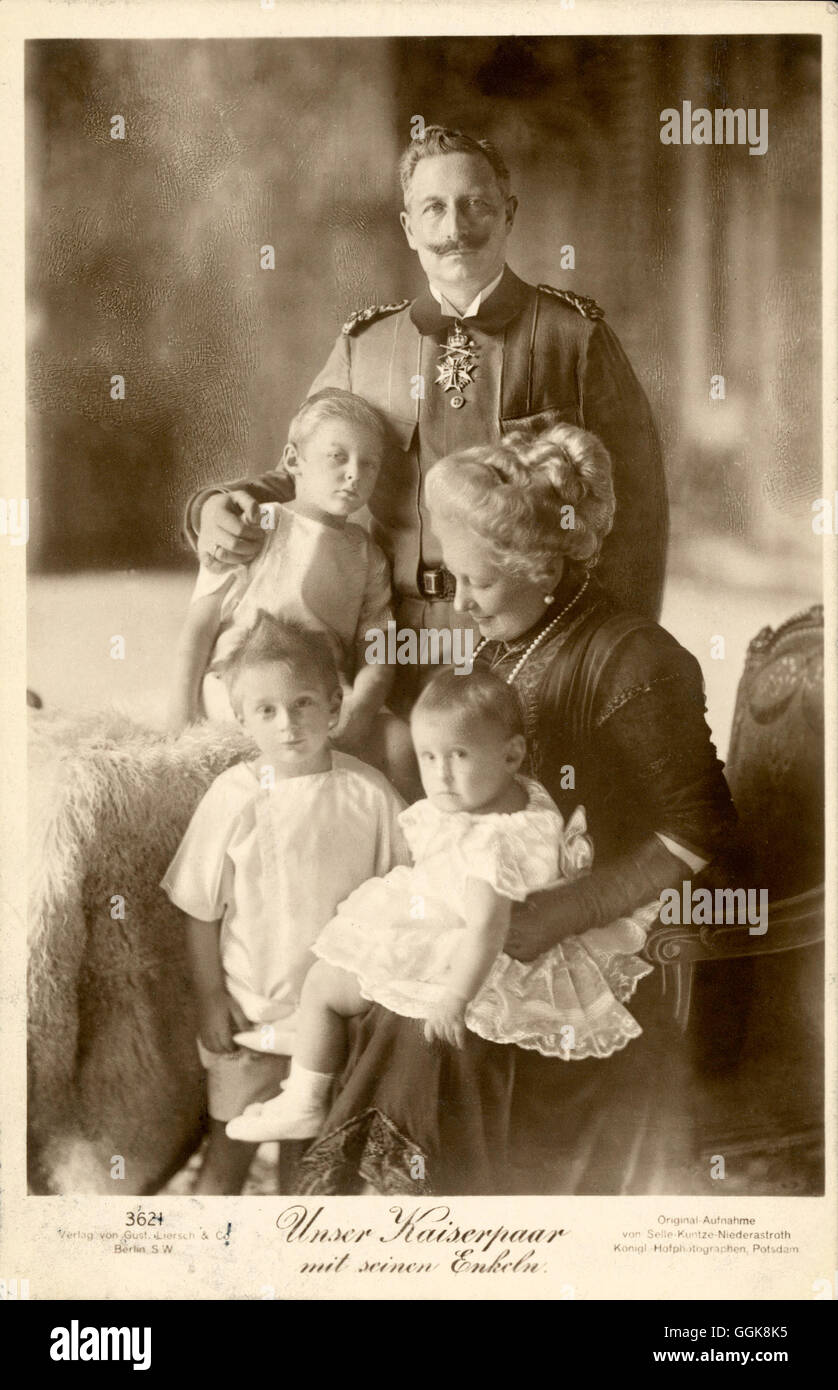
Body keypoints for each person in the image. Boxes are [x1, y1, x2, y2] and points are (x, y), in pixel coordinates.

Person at [290, 421, 737, 1196]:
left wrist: (559, 914)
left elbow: (697, 832)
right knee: (373, 973)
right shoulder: (498, 645)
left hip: (599, 932)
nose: (459, 602)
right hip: (499, 903)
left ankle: (418, 1226)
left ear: (543, 564)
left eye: (480, 584)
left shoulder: (638, 659)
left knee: (428, 1020)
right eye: (452, 578)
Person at [184, 125, 668, 714]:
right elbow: (301, 470)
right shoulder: (366, 345)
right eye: (433, 209)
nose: (455, 229)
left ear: (508, 213)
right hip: (393, 641)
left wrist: (615, 656)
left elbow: (639, 515)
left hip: (535, 636)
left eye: (476, 206)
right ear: (409, 226)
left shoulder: (575, 337)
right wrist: (213, 505)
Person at [225, 667, 663, 1145]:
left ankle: (305, 1100)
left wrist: (454, 999)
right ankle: (307, 1091)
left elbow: (485, 929)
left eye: (459, 755)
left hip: (462, 955)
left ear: (512, 754)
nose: (442, 774)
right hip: (453, 924)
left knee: (323, 983)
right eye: (428, 757)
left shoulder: (487, 844)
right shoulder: (521, 799)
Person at [160, 613, 409, 1193]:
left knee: (311, 1163)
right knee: (230, 1153)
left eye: (303, 703)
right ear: (242, 718)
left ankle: (298, 1265)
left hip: (331, 1026)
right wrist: (210, 998)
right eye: (266, 711)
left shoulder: (368, 793)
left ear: (334, 703)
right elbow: (200, 909)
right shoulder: (233, 797)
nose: (288, 724)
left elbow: (406, 889)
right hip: (250, 1013)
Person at [168, 387, 416, 796]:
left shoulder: (367, 554)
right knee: (289, 764)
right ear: (293, 461)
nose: (355, 473)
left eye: (369, 464)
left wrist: (362, 708)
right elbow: (199, 626)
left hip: (321, 693)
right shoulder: (256, 525)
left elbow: (380, 649)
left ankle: (412, 849)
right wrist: (180, 715)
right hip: (245, 683)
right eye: (338, 457)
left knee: (400, 744)